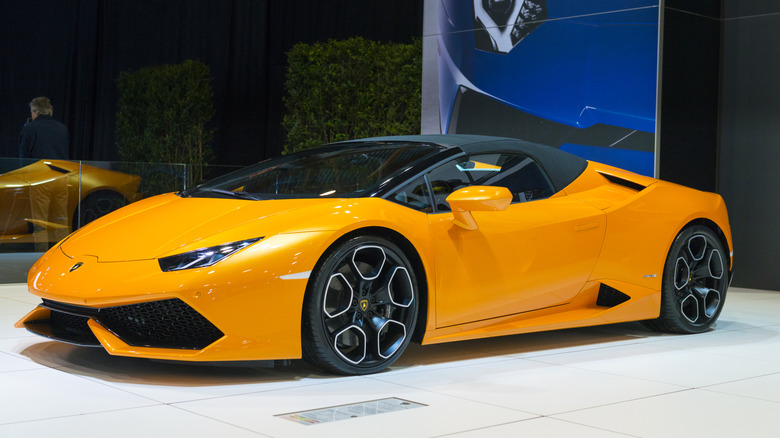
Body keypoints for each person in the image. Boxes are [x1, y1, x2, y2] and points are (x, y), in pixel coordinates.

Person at [18, 97, 70, 251]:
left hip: (40, 180)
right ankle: (64, 254)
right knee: (62, 221)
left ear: (36, 111)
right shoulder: (62, 128)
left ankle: (41, 257)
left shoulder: (30, 129)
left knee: (40, 224)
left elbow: (23, 157)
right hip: (61, 178)